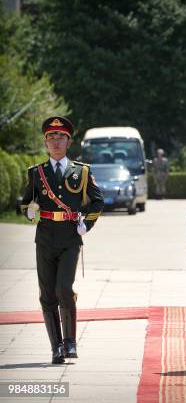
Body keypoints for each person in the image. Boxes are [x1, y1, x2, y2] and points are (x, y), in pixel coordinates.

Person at [20, 116, 104, 364]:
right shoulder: (36, 173)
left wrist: (85, 224)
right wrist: (28, 211)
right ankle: (56, 347)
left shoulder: (82, 171)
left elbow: (97, 201)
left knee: (64, 289)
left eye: (61, 138)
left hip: (69, 238)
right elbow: (25, 203)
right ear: (45, 143)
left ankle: (70, 342)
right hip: (45, 238)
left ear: (69, 142)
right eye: (51, 138)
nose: (56, 142)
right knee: (47, 294)